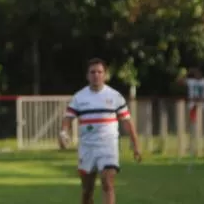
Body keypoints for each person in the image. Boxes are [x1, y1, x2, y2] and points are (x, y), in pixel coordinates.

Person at [59, 58, 142, 204]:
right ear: (87, 75)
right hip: (87, 147)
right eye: (93, 72)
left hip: (108, 145)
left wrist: (135, 145)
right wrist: (63, 133)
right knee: (87, 191)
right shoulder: (79, 97)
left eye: (99, 72)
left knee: (107, 181)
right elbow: (68, 119)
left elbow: (127, 121)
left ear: (105, 75)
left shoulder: (114, 96)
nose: (96, 75)